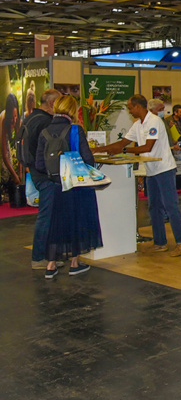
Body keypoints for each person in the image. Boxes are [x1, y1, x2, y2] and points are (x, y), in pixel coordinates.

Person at [97, 94, 181, 257]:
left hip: (164, 169)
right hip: (151, 170)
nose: (129, 110)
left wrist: (124, 150)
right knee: (154, 207)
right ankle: (160, 242)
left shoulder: (154, 121)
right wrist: (97, 150)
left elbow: (147, 147)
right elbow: (121, 143)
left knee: (171, 205)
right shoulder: (137, 124)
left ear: (139, 107)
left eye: (130, 107)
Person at [34, 95, 103, 279]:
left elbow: (39, 164)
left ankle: (50, 265)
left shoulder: (45, 132)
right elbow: (88, 159)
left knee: (56, 223)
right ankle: (74, 263)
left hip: (55, 186)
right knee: (77, 222)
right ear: (72, 110)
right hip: (76, 185)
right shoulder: (75, 130)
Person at [18, 88, 62, 269]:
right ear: (52, 103)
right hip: (45, 174)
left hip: (35, 171)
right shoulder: (45, 122)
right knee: (47, 215)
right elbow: (48, 151)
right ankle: (39, 257)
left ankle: (47, 256)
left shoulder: (30, 118)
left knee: (47, 214)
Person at [1, 94, 22, 199]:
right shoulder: (3, 119)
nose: (14, 119)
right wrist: (14, 176)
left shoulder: (18, 120)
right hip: (2, 147)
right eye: (12, 116)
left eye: (15, 115)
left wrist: (21, 172)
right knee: (5, 170)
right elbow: (4, 155)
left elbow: (20, 148)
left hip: (8, 147)